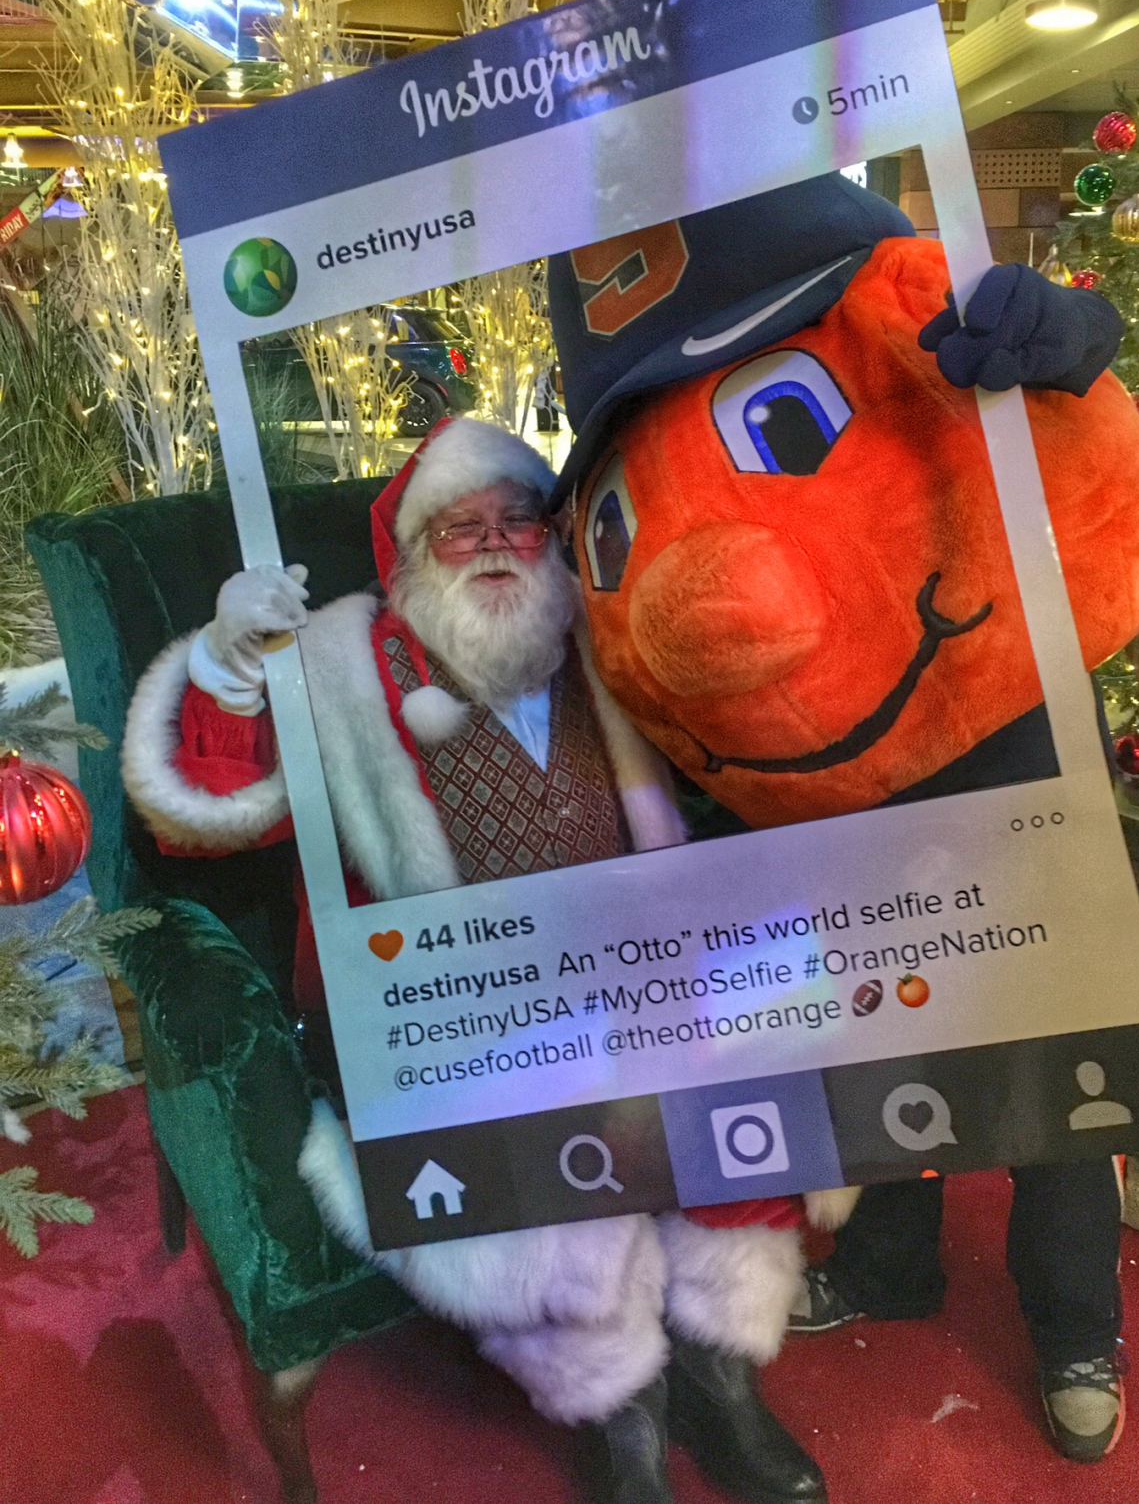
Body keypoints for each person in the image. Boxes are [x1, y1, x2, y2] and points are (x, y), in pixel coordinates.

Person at [545, 172, 1139, 1467]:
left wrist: (1064, 339)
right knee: (885, 1037)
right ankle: (891, 1265)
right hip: (852, 806)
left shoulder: (894, 301)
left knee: (1062, 1071)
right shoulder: (622, 398)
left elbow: (1070, 377)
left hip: (1012, 753)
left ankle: (1075, 1328)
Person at [122, 416, 828, 1504]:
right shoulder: (341, 668)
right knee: (556, 1176)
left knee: (749, 1078)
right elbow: (203, 815)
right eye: (460, 527)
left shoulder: (604, 635)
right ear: (408, 554)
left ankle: (718, 1369)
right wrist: (229, 662)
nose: (495, 542)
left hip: (639, 974)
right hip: (449, 1015)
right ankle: (620, 1411)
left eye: (517, 520)